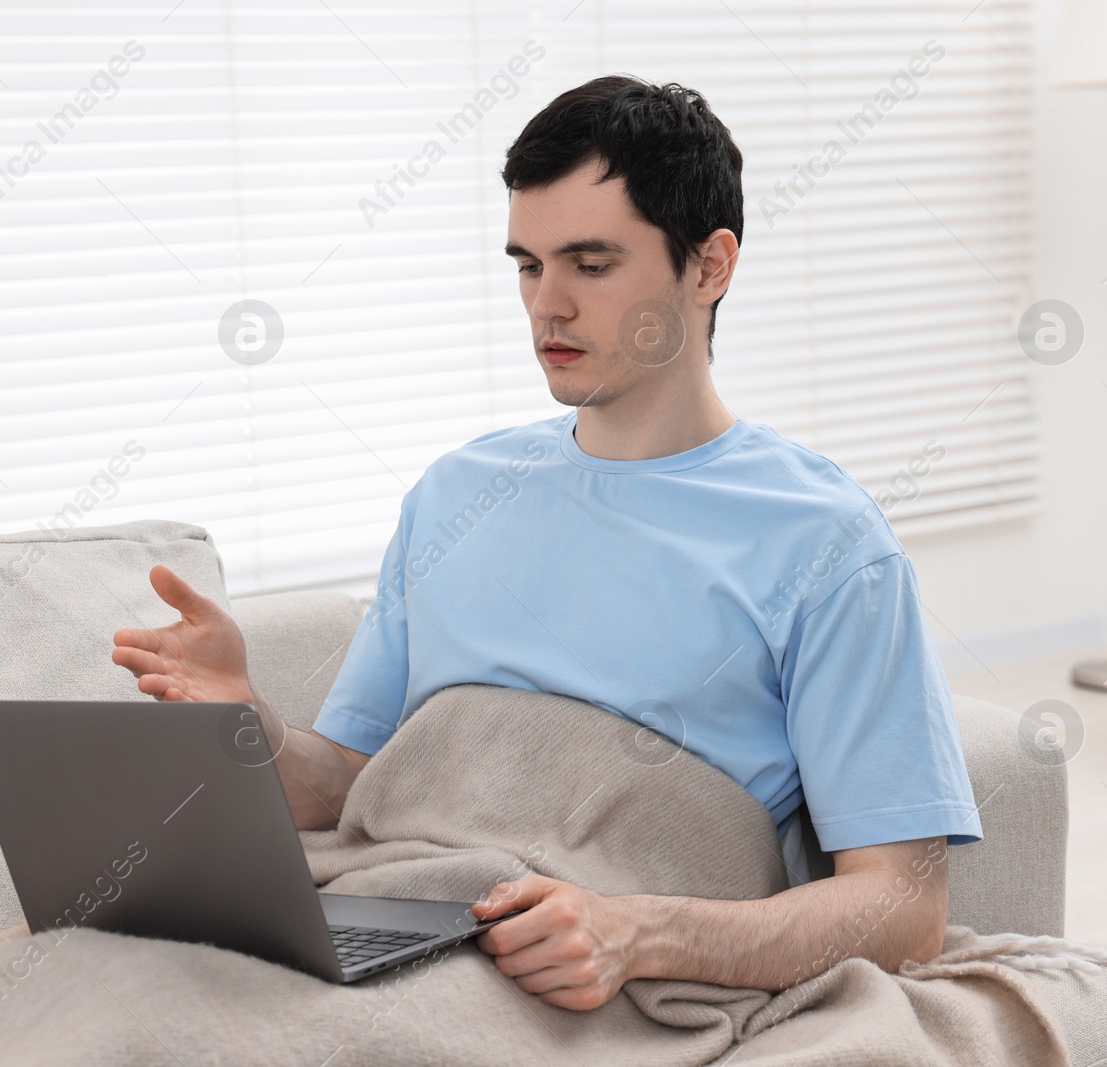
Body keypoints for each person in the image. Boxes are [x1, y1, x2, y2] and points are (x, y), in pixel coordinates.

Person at [112, 75, 980, 1013]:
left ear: (710, 266)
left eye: (591, 265)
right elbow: (350, 791)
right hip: (395, 913)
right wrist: (248, 723)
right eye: (528, 264)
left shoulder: (824, 541)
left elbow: (904, 906)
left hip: (568, 965)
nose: (547, 305)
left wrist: (636, 931)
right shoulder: (455, 494)